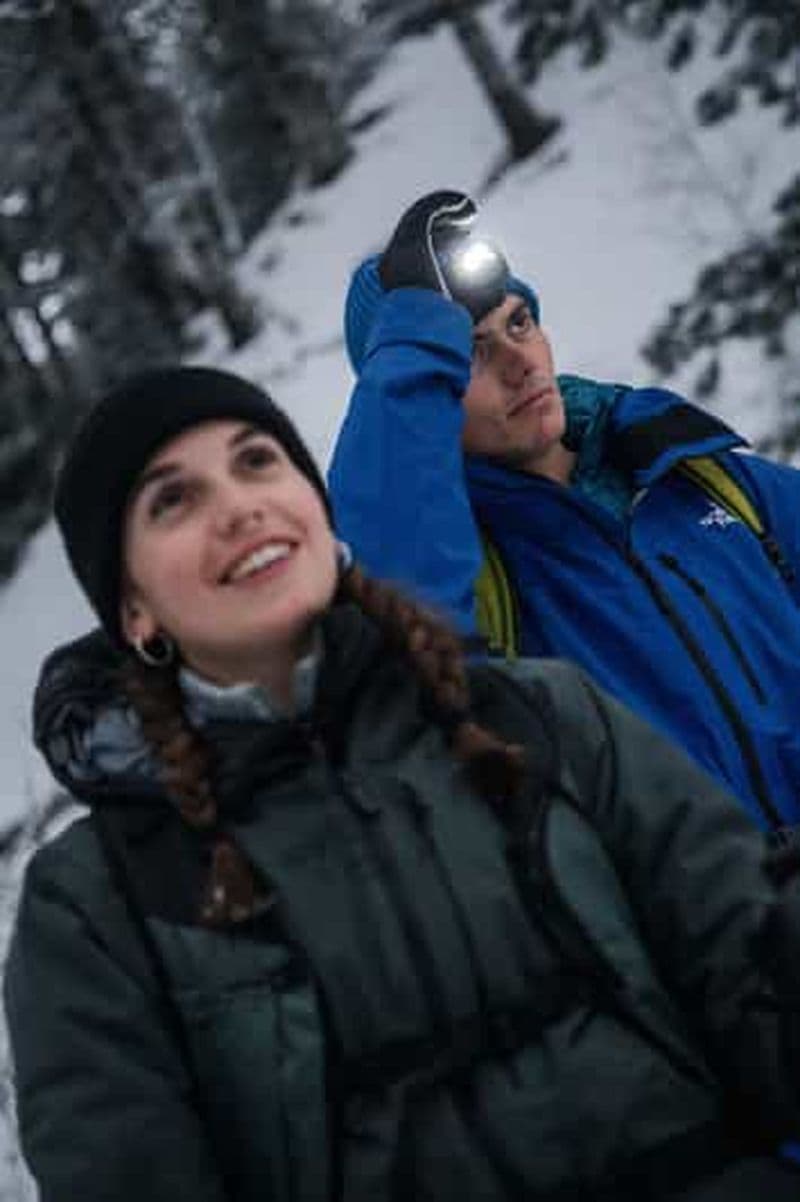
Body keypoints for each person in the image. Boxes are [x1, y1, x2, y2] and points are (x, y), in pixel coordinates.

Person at [7, 363, 800, 1202]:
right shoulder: (95, 907)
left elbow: (756, 982)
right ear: (133, 612)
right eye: (174, 500)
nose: (239, 506)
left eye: (256, 462)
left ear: (319, 514)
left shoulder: (544, 716)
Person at [328, 189, 800, 838]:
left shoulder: (701, 477)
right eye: (468, 353)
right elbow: (392, 600)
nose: (520, 365)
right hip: (732, 919)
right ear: (422, 393)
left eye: (519, 324)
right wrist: (411, 334)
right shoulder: (471, 582)